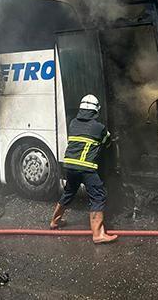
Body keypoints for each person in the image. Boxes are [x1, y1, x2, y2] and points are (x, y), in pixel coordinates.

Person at [50, 94, 118, 244]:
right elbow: (107, 143)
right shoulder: (98, 127)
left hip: (69, 165)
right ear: (95, 111)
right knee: (98, 196)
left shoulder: (73, 123)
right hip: (86, 167)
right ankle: (98, 234)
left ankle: (55, 221)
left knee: (69, 192)